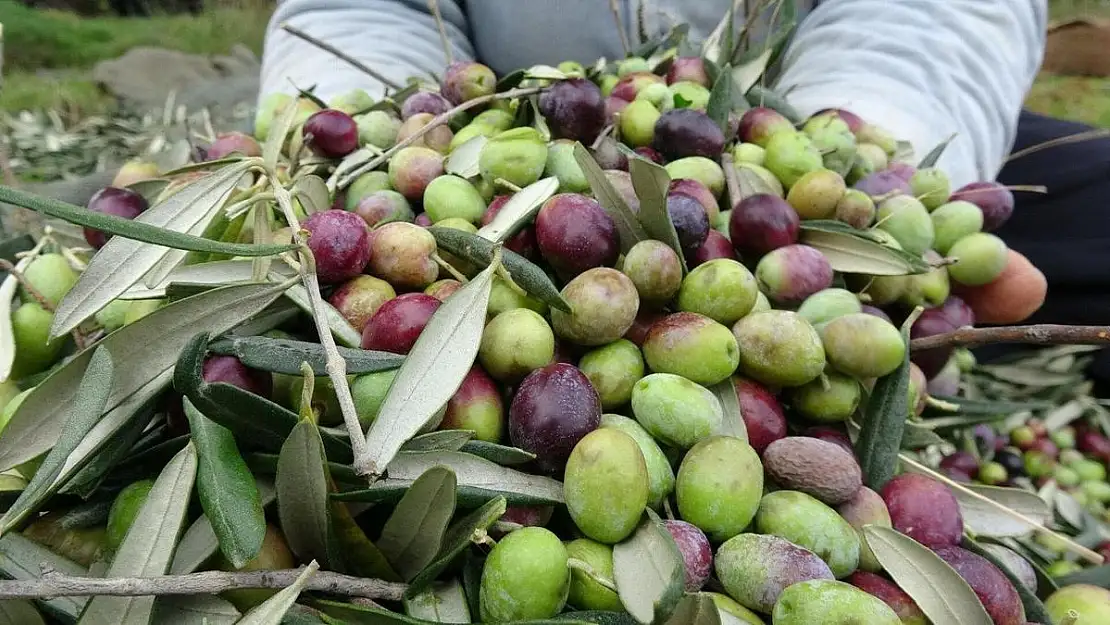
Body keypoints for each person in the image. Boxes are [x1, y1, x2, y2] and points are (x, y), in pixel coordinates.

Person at [260, 1, 1108, 373]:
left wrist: (863, 128)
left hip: (796, 111)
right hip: (510, 109)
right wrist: (366, 120)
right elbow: (359, 9)